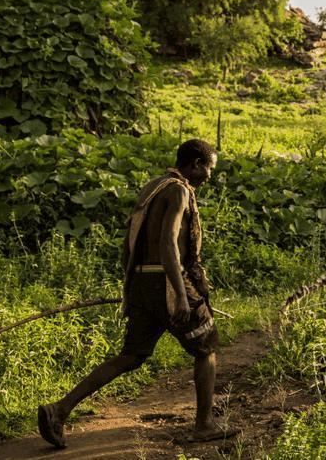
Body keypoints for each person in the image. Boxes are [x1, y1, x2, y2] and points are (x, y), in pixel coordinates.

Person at [37, 139, 234, 448]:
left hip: (144, 283)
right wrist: (180, 294)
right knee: (206, 348)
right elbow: (169, 243)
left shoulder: (154, 186)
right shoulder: (179, 191)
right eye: (209, 168)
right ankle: (204, 425)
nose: (210, 175)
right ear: (195, 164)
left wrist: (134, 286)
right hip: (167, 282)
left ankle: (59, 410)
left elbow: (129, 241)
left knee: (131, 355)